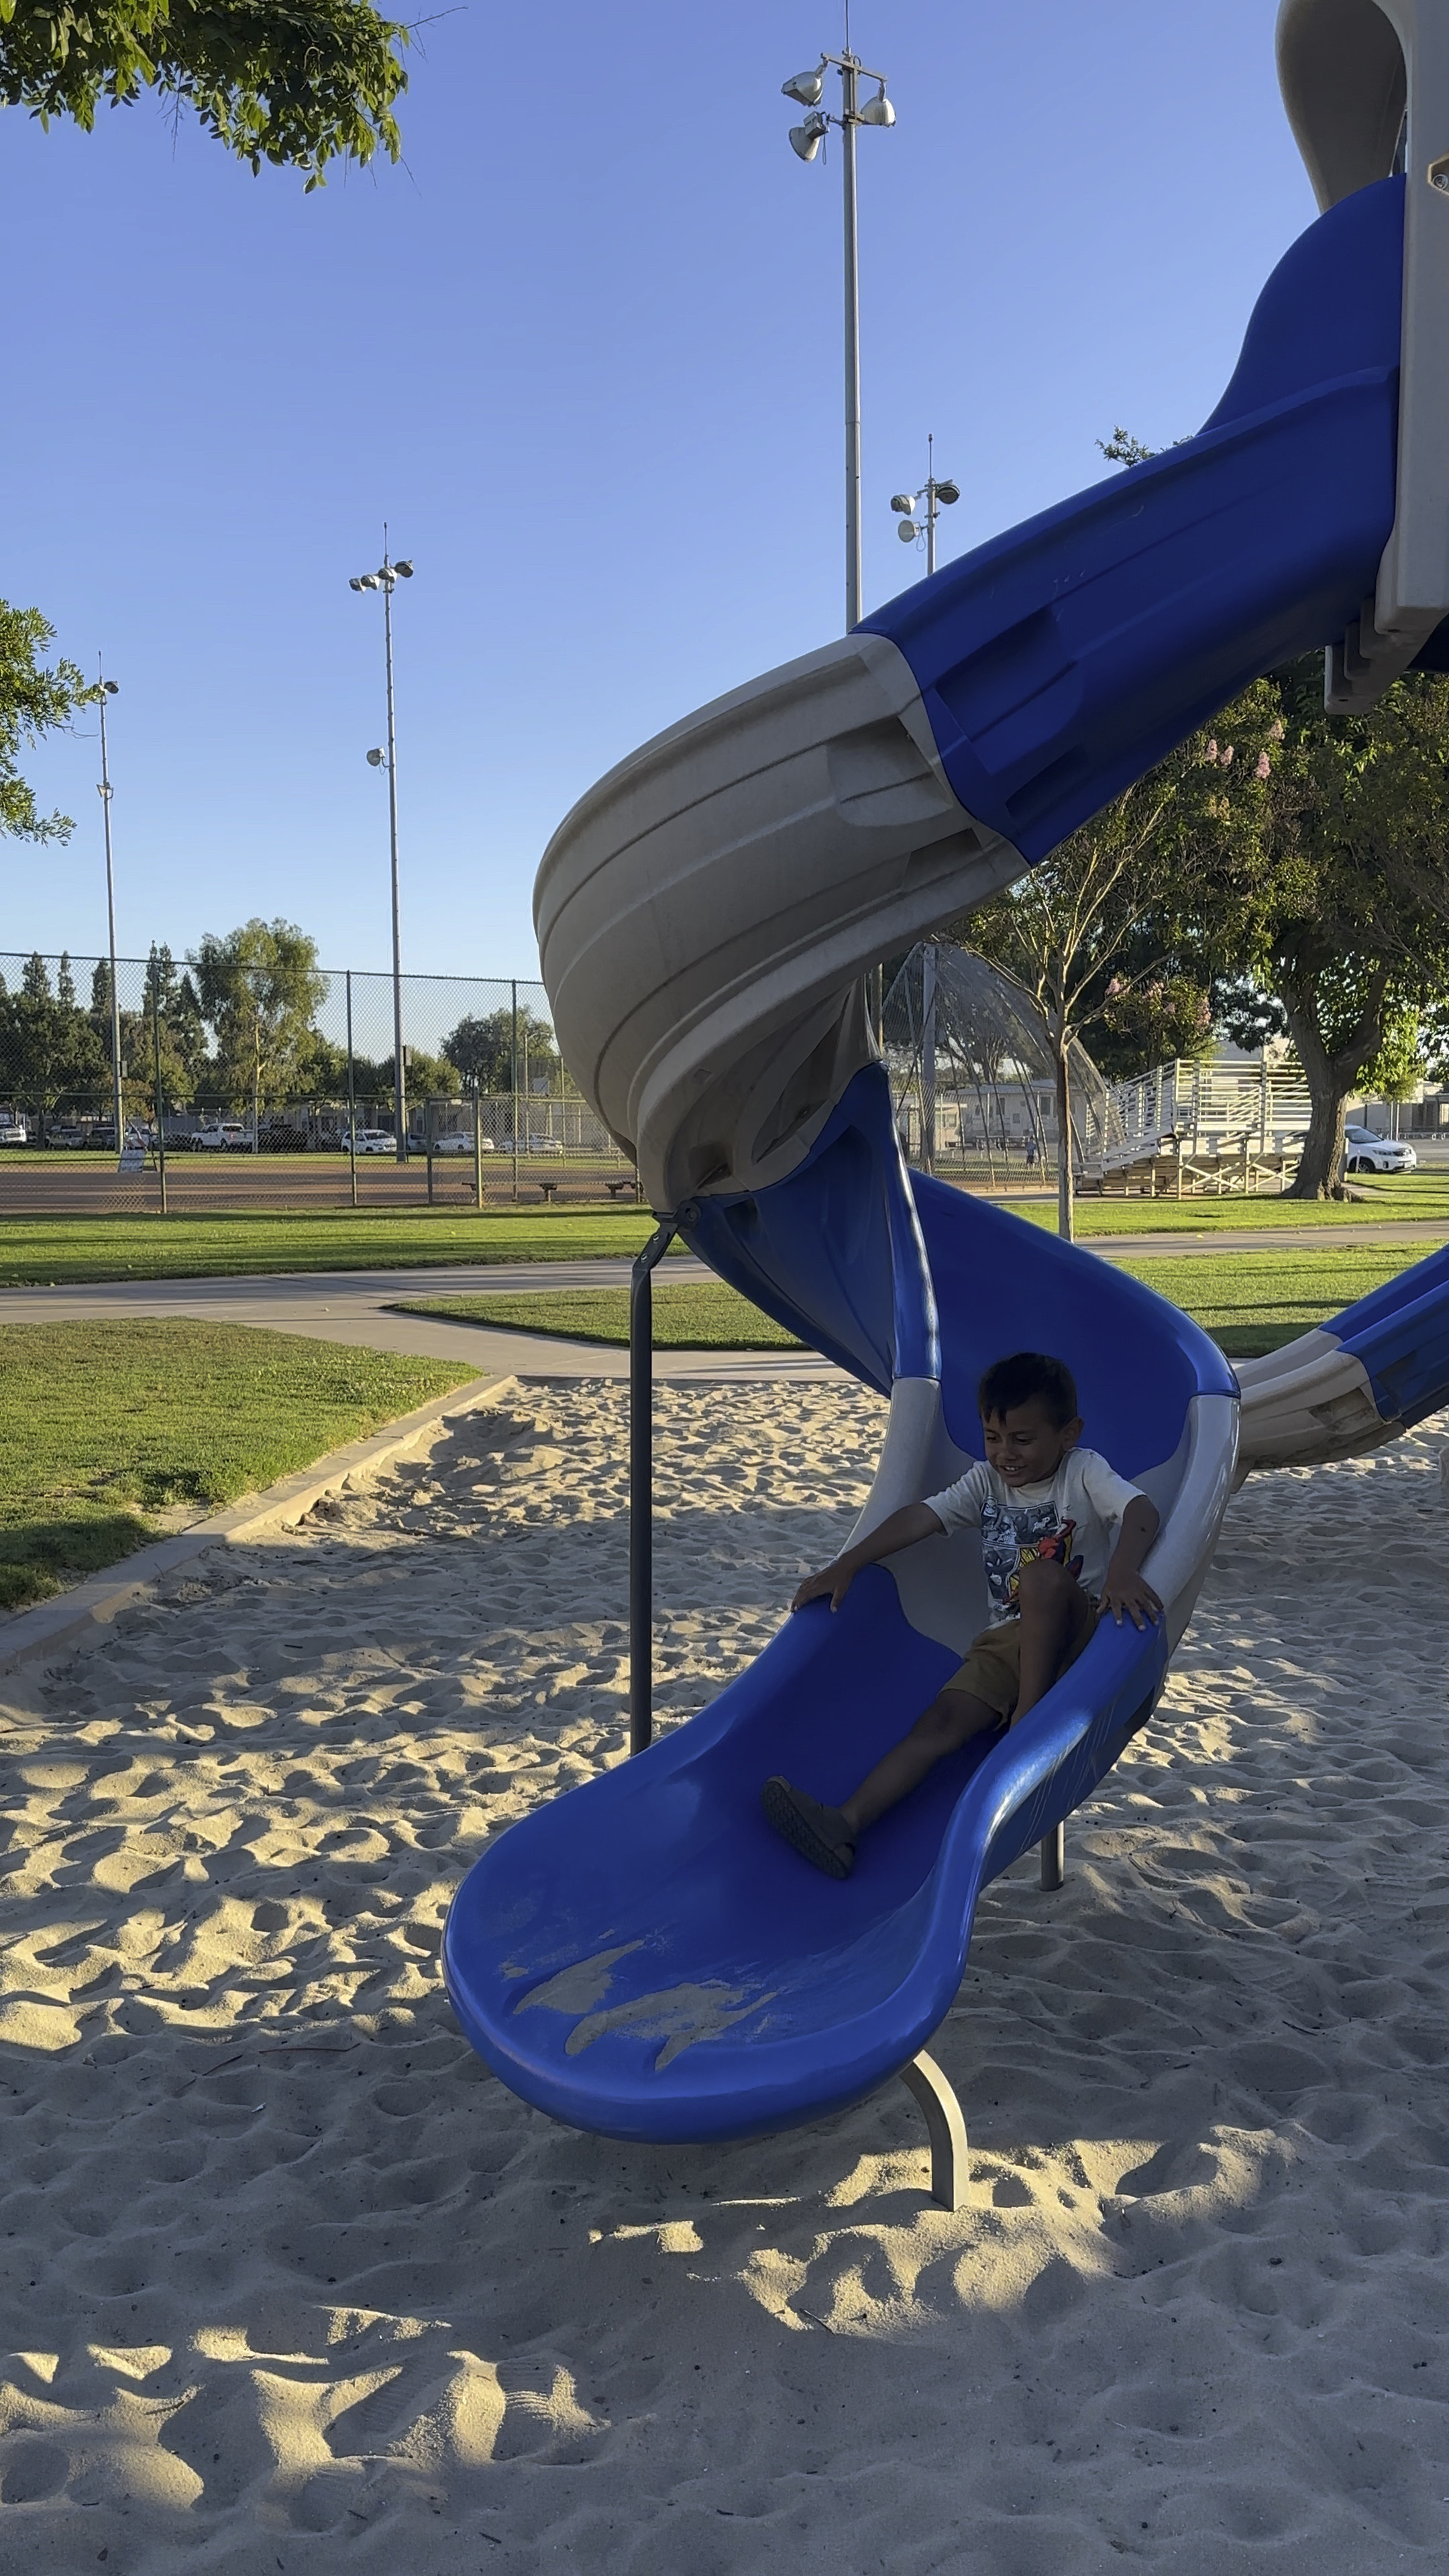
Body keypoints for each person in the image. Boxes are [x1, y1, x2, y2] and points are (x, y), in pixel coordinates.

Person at [761, 1350, 1162, 1879]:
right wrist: (849, 1563)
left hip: (1078, 1631)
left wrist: (1123, 1573)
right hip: (1006, 1642)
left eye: (1023, 1439)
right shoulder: (984, 1483)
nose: (1005, 1454)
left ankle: (1027, 1722)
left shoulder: (1082, 1470)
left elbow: (1141, 1510)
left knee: (1041, 1576)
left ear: (1068, 1434)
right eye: (993, 1438)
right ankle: (846, 1825)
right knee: (942, 1722)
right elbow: (920, 1518)